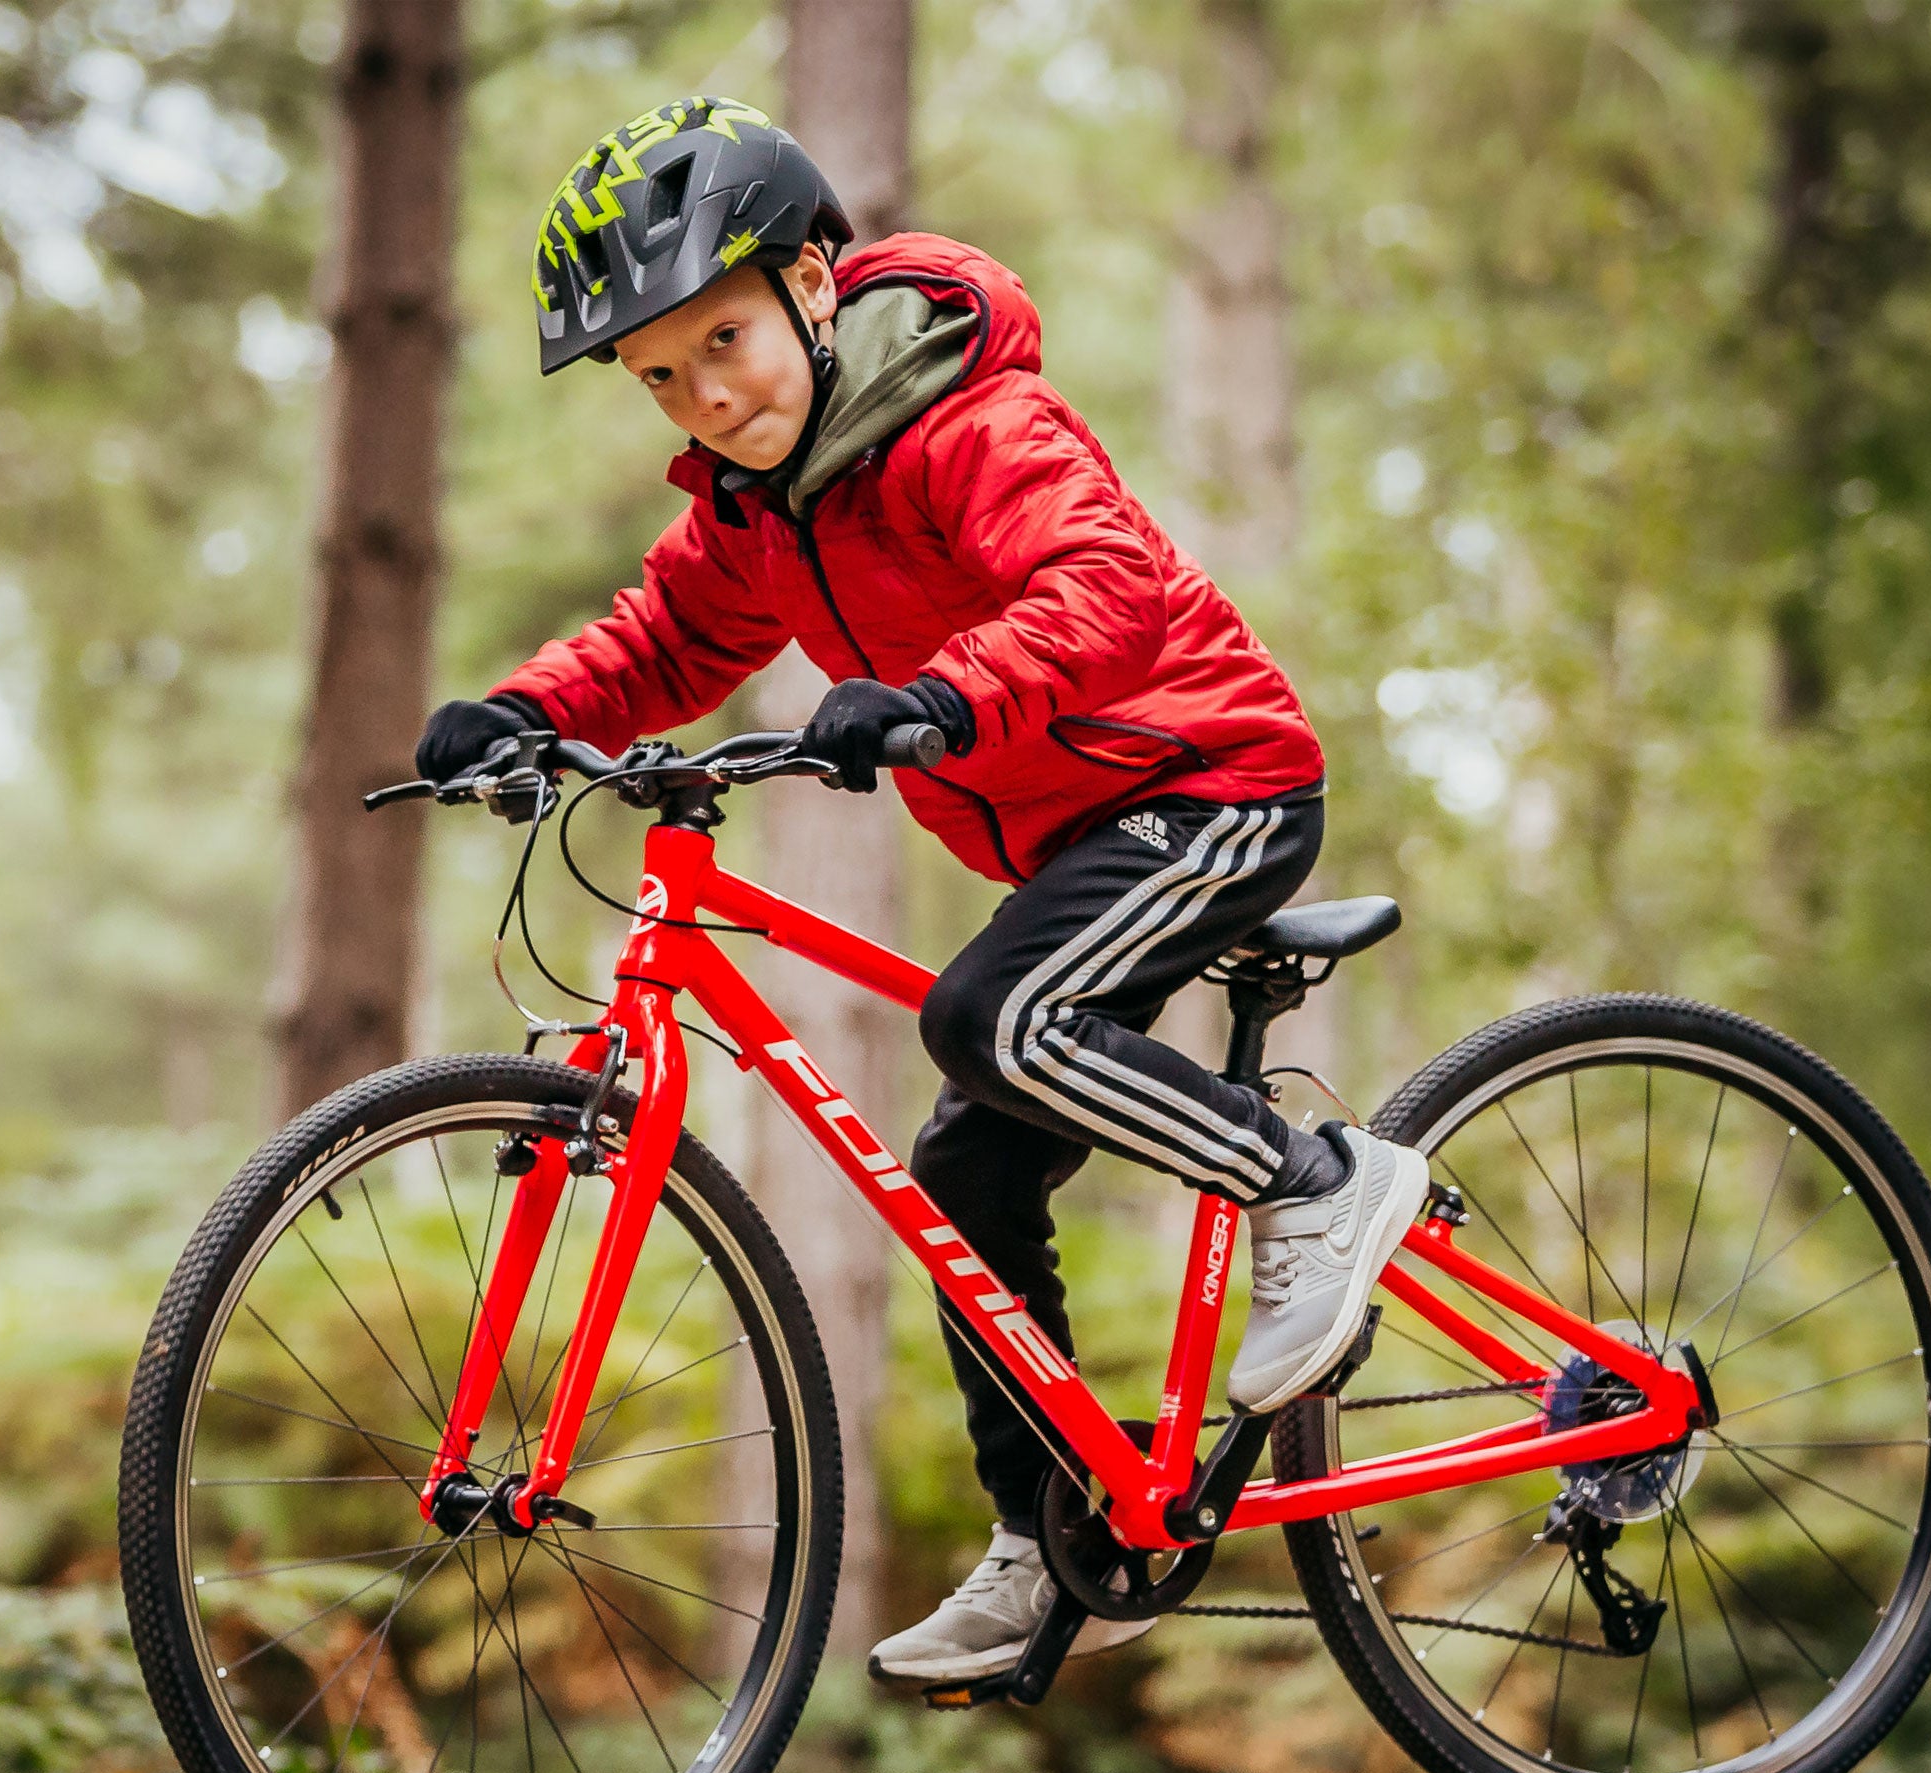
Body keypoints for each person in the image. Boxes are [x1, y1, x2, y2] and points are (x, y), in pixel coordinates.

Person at [415, 97, 1430, 1685]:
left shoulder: (971, 419)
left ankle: (1316, 1180)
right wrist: (526, 710)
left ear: (817, 284)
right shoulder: (754, 512)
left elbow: (1103, 585)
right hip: (1076, 847)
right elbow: (664, 639)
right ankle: (1050, 1532)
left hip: (1213, 785)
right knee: (968, 1164)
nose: (706, 395)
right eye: (661, 375)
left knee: (988, 1019)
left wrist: (947, 695)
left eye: (726, 339)